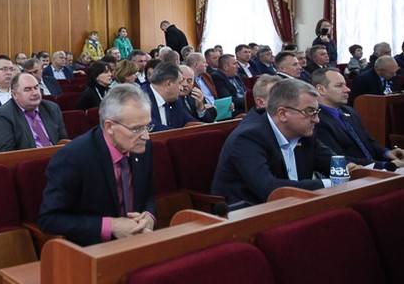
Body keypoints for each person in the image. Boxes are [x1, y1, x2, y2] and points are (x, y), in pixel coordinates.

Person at [39, 84, 156, 247]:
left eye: (147, 126)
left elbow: (148, 195)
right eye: (137, 129)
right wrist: (111, 225)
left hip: (138, 242)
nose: (146, 136)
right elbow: (50, 219)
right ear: (109, 127)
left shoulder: (142, 147)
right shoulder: (73, 157)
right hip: (92, 249)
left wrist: (148, 216)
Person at [212, 78, 340, 206]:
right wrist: (331, 183)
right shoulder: (248, 138)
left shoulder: (303, 132)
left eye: (316, 112)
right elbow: (270, 189)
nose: (317, 120)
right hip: (250, 212)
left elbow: (335, 165)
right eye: (309, 111)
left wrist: (348, 169)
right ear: (282, 114)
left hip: (294, 206)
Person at [313, 68, 404, 171]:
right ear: (321, 90)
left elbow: (368, 141)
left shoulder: (350, 111)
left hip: (376, 168)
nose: (347, 89)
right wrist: (384, 165)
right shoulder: (316, 119)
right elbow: (337, 157)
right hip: (353, 174)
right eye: (339, 85)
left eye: (345, 85)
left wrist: (387, 153)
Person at [0, 73, 67, 152]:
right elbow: (6, 153)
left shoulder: (51, 108)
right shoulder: (2, 116)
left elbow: (63, 141)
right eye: (28, 89)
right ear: (14, 94)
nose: (35, 93)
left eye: (36, 87)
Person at [141, 62, 196, 131]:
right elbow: (153, 128)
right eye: (179, 83)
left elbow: (190, 121)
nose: (181, 88)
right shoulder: (141, 100)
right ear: (169, 84)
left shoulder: (176, 99)